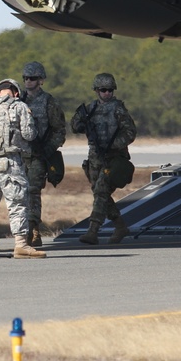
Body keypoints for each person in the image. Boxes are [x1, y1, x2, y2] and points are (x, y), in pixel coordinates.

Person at [0, 78, 45, 258]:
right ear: (15, 93)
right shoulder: (18, 106)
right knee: (17, 204)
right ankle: (21, 244)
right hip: (9, 161)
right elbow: (29, 134)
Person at [70, 73, 137, 245]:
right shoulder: (90, 109)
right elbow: (74, 125)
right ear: (96, 91)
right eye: (103, 90)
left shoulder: (118, 109)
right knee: (100, 193)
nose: (107, 93)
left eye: (110, 90)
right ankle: (120, 226)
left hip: (114, 158)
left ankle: (93, 230)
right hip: (95, 157)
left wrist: (114, 145)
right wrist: (80, 124)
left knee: (101, 191)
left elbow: (130, 132)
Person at [19, 61, 67, 247]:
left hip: (38, 155)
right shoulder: (18, 101)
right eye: (25, 78)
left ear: (41, 81)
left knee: (33, 192)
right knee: (18, 194)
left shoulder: (49, 102)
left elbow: (59, 130)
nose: (28, 81)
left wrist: (47, 149)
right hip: (20, 154)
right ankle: (22, 229)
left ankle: (33, 230)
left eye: (32, 78)